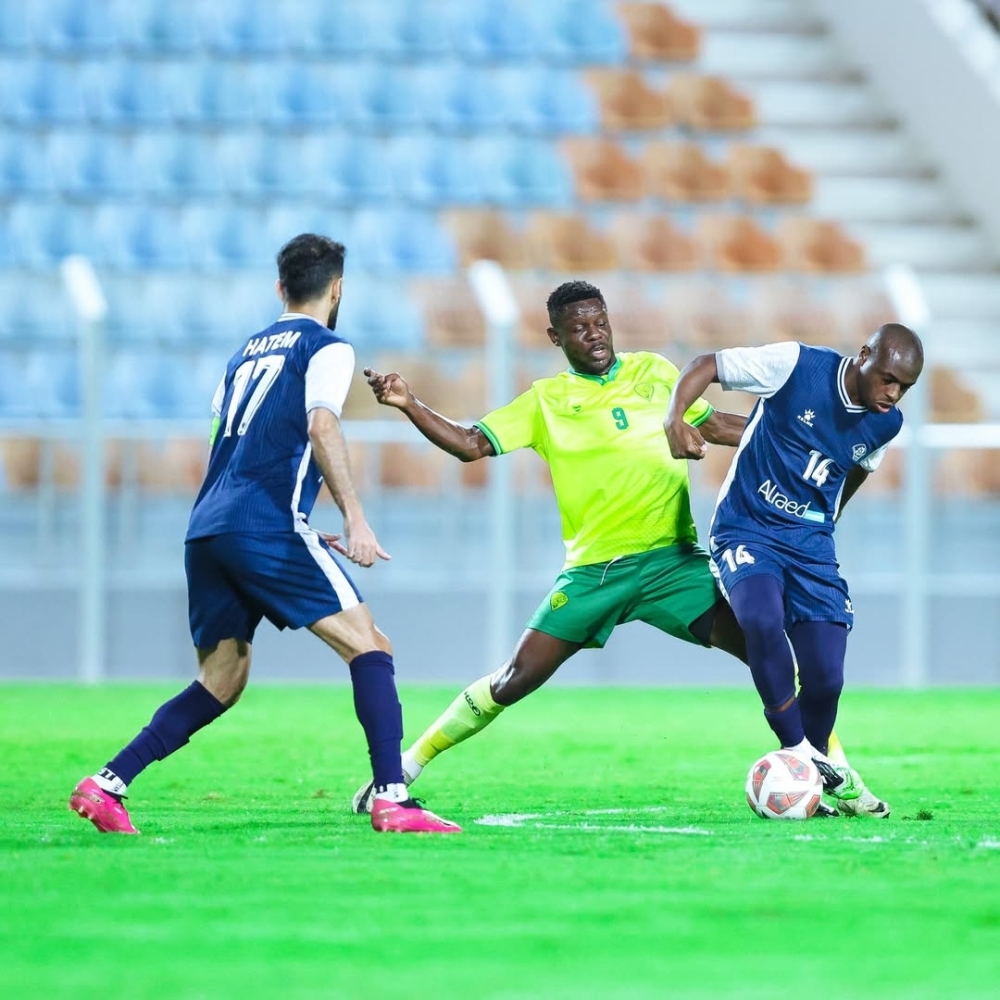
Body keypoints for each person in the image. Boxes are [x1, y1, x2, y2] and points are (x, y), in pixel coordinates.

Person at [352, 280, 885, 818]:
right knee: (515, 679)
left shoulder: (654, 373)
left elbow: (721, 425)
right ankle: (403, 769)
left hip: (674, 563)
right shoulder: (546, 402)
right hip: (594, 572)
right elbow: (470, 444)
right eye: (579, 327)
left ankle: (836, 777)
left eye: (600, 322)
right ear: (554, 337)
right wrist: (408, 403)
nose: (594, 334)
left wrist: (801, 448)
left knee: (770, 651)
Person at [69, 234, 459, 836]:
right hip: (263, 523)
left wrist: (281, 524)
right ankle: (393, 799)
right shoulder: (326, 346)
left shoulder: (242, 355)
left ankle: (106, 784)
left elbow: (223, 443)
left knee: (221, 680)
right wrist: (354, 516)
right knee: (371, 646)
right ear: (337, 288)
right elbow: (322, 424)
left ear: (280, 288)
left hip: (209, 526)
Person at [665, 324, 923, 806]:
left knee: (827, 676)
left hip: (811, 545)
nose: (894, 393)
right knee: (760, 618)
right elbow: (705, 364)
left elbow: (854, 472)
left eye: (905, 386)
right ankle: (798, 753)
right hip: (747, 527)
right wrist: (674, 416)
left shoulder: (887, 423)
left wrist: (823, 527)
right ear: (864, 354)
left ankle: (815, 768)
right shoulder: (795, 366)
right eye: (888, 378)